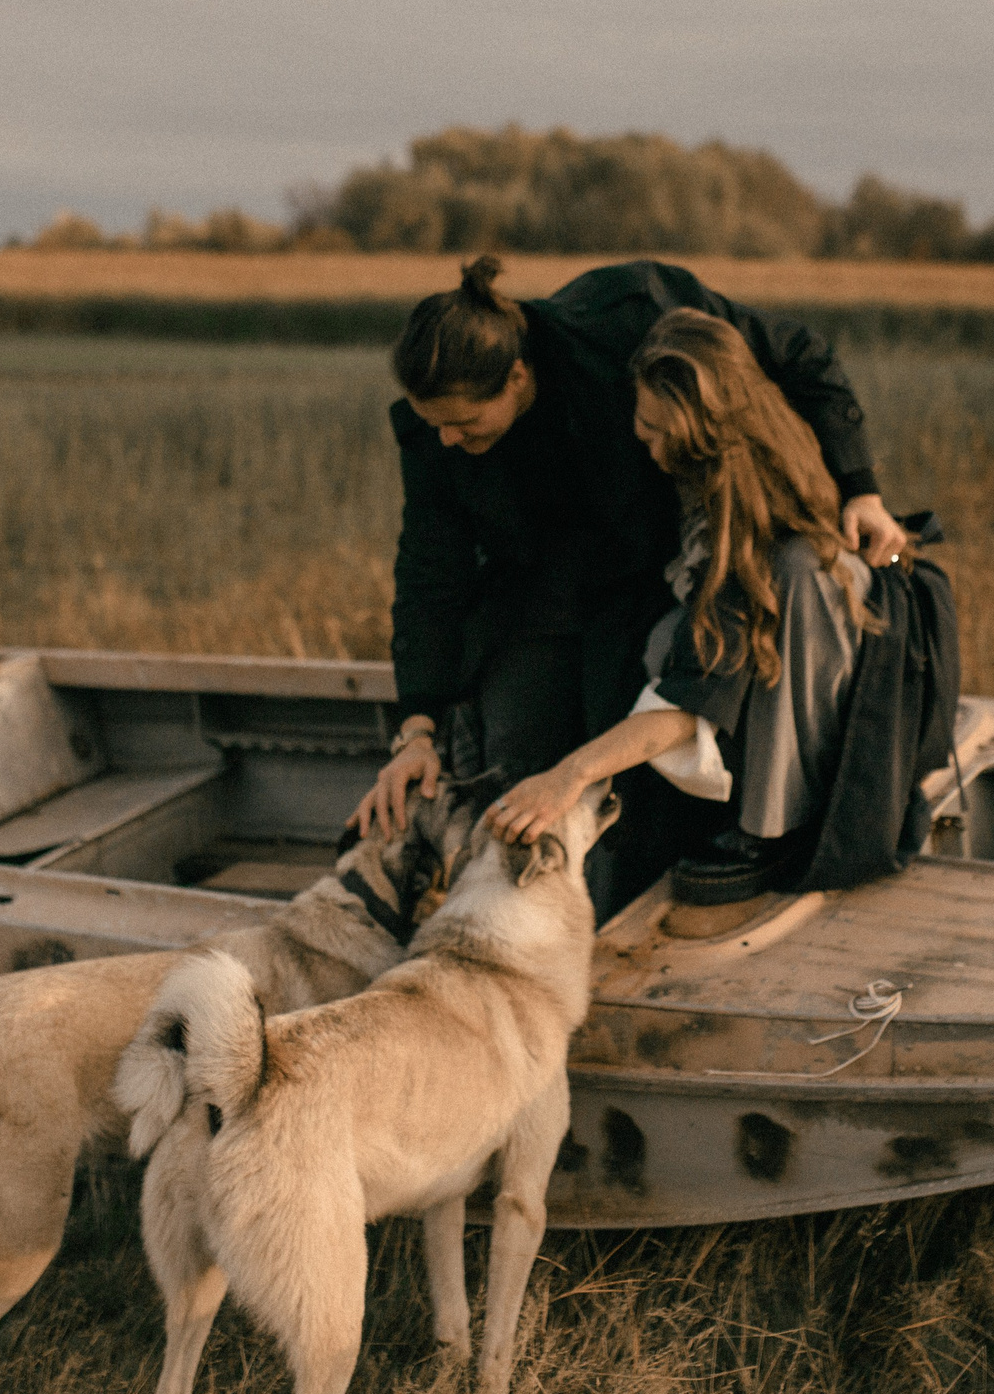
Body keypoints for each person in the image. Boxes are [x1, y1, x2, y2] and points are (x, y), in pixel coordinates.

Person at [349, 255, 907, 906]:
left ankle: (686, 872)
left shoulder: (641, 326)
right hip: (534, 592)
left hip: (650, 569)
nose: (443, 440)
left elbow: (695, 685)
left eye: (465, 426)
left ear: (519, 375)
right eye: (434, 423)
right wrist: (417, 727)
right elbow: (428, 571)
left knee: (629, 778)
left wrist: (861, 490)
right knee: (508, 770)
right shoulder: (437, 424)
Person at [478, 309, 881, 893]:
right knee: (665, 638)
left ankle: (776, 829)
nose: (643, 438)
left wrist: (570, 774)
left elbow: (698, 691)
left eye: (659, 428)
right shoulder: (694, 470)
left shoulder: (755, 524)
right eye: (641, 420)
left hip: (815, 623)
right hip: (741, 615)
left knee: (779, 591)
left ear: (705, 429)